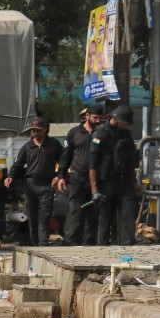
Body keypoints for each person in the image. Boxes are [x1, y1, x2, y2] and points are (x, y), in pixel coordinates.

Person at [4, 116, 62, 246]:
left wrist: (59, 175)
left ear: (45, 129)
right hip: (30, 185)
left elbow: (63, 161)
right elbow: (18, 164)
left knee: (45, 215)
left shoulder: (54, 144)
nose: (35, 133)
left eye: (38, 130)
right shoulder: (27, 147)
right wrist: (10, 176)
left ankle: (43, 243)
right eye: (33, 130)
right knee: (31, 215)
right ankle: (34, 242)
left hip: (47, 185)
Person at [88, 105, 139, 246]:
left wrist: (134, 182)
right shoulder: (100, 134)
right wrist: (94, 190)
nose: (126, 126)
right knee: (105, 217)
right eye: (125, 123)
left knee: (128, 215)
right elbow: (92, 165)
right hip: (106, 182)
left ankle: (127, 246)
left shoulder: (125, 134)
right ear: (116, 119)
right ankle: (103, 248)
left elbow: (131, 161)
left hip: (125, 181)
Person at [58, 104, 104, 245]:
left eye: (100, 118)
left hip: (96, 179)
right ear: (87, 116)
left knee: (93, 212)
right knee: (75, 211)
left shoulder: (101, 133)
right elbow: (65, 156)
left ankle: (89, 242)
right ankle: (71, 241)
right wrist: (61, 177)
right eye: (95, 117)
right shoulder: (74, 133)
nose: (97, 121)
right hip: (77, 177)